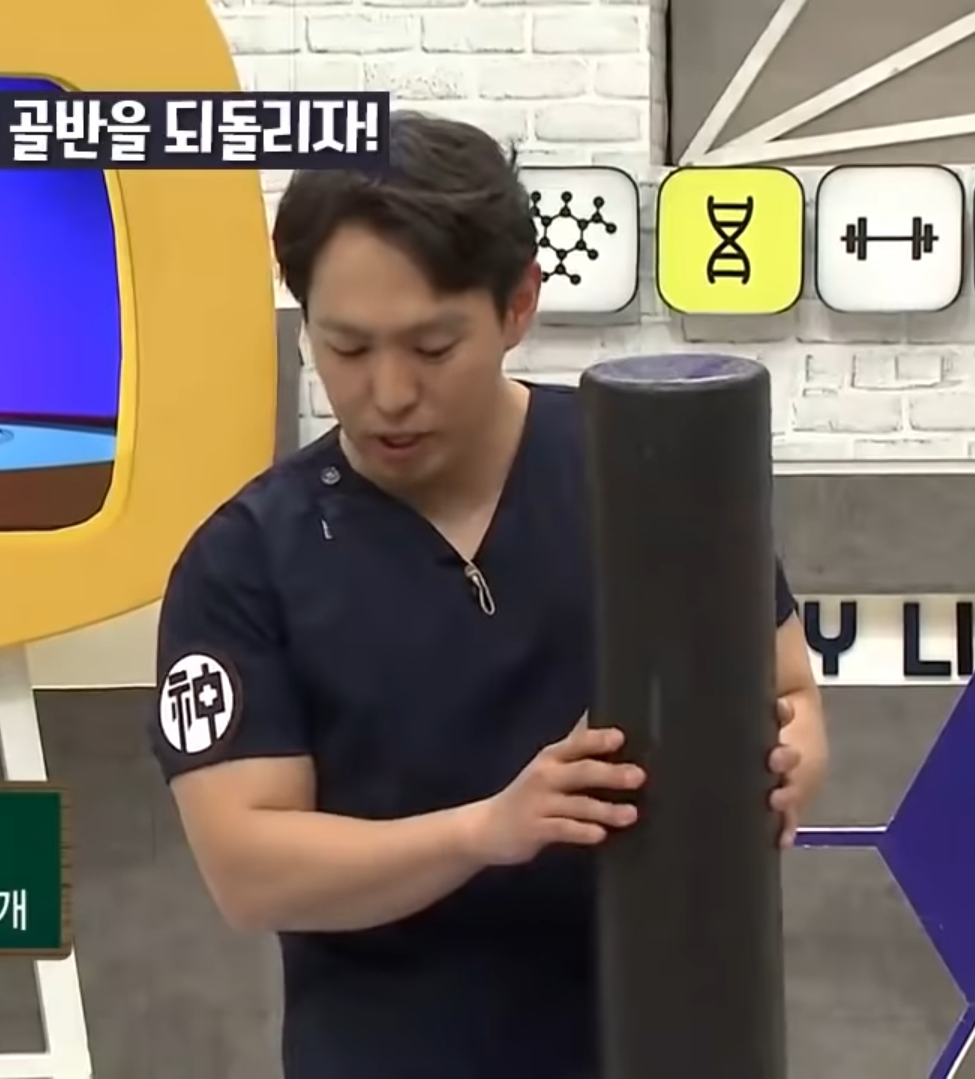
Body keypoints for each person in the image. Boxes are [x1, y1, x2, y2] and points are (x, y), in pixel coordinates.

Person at [149, 112, 829, 1079]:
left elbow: (787, 687)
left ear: (518, 305)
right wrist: (488, 829)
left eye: (432, 348)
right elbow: (250, 867)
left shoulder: (645, 478)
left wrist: (790, 759)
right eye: (346, 349)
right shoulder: (245, 560)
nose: (388, 393)